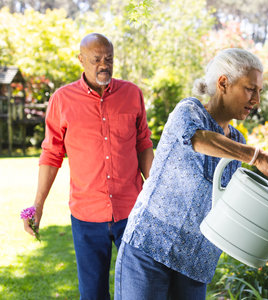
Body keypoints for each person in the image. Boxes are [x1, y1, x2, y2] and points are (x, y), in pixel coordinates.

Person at [114, 48, 268, 299]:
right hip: (150, 248)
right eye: (249, 89)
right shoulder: (189, 111)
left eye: (259, 91)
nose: (256, 100)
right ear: (223, 83)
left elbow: (228, 204)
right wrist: (256, 156)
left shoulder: (238, 140)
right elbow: (198, 138)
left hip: (196, 262)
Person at [22, 33, 154, 300]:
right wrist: (38, 203)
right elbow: (51, 153)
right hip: (86, 216)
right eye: (96, 59)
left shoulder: (132, 94)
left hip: (133, 211)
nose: (103, 64)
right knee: (92, 295)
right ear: (81, 60)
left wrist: (155, 195)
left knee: (142, 291)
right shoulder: (62, 100)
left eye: (109, 59)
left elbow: (143, 144)